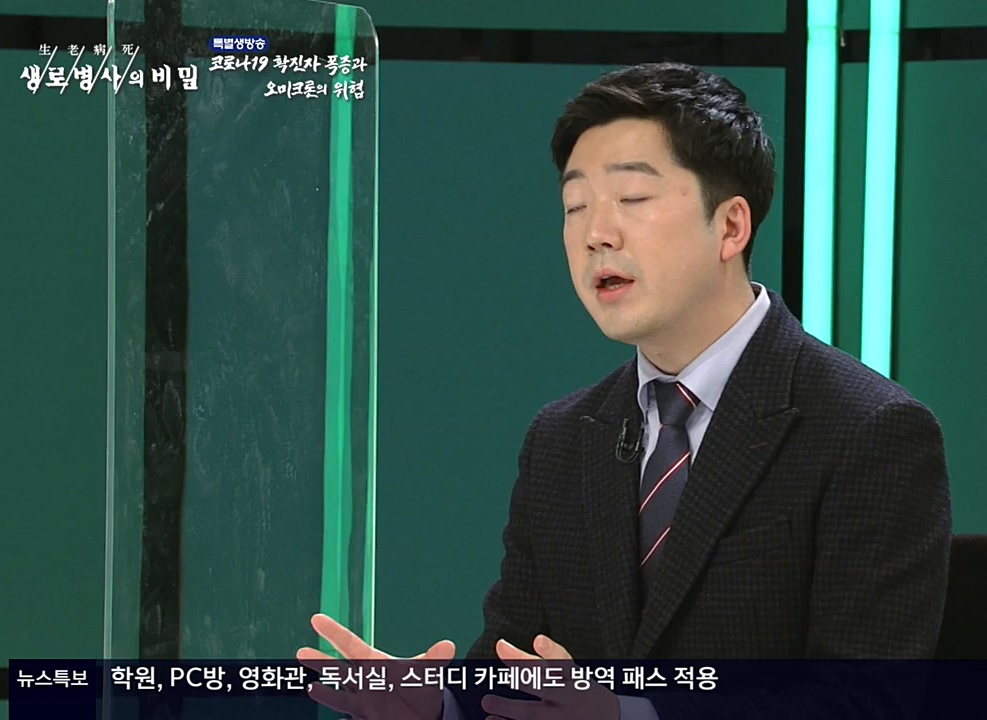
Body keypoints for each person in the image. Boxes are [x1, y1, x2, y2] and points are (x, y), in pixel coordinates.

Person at [298, 61, 952, 720]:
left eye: (632, 199)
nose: (596, 235)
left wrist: (631, 716)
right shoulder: (561, 439)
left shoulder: (869, 429)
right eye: (575, 207)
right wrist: (441, 705)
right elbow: (513, 669)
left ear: (731, 226)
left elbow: (866, 703)